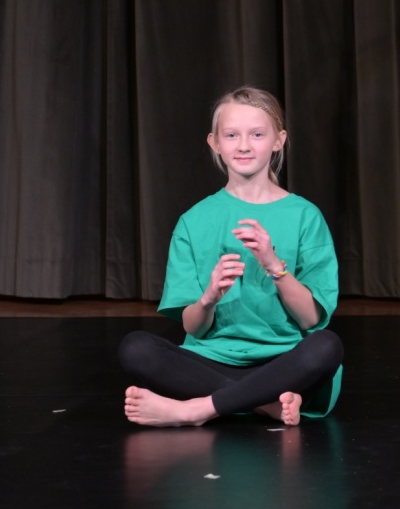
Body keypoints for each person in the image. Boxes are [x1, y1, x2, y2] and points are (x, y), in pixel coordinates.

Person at [117, 87, 344, 426]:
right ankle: (263, 404)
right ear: (215, 143)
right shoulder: (193, 221)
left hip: (281, 364)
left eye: (257, 134)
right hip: (210, 363)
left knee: (326, 346)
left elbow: (311, 320)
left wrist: (274, 266)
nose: (243, 146)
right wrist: (208, 298)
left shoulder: (305, 216)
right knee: (136, 348)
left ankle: (197, 409)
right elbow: (193, 327)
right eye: (232, 135)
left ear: (278, 141)